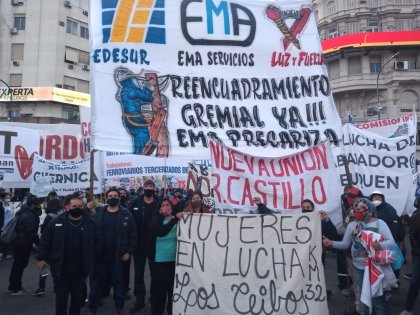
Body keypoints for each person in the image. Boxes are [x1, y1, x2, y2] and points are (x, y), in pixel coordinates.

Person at [323, 198, 396, 315]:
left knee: (378, 299)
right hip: (358, 267)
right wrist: (331, 243)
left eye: (359, 210)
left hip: (376, 267)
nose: (356, 212)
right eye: (355, 210)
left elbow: (391, 242)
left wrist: (380, 245)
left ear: (368, 210)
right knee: (364, 298)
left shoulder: (379, 223)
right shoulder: (352, 225)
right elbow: (345, 244)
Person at [36, 195, 95, 315]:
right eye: (74, 206)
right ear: (67, 207)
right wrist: (41, 258)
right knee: (61, 299)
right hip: (60, 268)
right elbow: (45, 241)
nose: (77, 208)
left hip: (80, 269)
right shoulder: (56, 222)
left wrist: (92, 260)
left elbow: (98, 242)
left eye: (80, 206)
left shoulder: (90, 223)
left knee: (77, 300)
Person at [89, 188, 137, 315]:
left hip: (119, 258)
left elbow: (133, 235)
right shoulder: (98, 213)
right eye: (110, 195)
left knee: (119, 285)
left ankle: (119, 309)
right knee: (96, 285)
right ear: (106, 198)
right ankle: (92, 309)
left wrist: (129, 252)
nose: (113, 197)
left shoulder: (127, 214)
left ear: (119, 198)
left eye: (115, 195)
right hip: (100, 257)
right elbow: (90, 230)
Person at [129, 180, 161, 313]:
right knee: (138, 274)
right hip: (140, 245)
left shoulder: (160, 202)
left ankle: (154, 297)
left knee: (156, 274)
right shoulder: (136, 202)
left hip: (155, 244)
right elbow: (130, 221)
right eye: (146, 186)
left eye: (151, 186)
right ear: (143, 188)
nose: (148, 188)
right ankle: (139, 299)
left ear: (154, 188)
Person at [150, 199, 183, 315]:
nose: (165, 207)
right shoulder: (156, 220)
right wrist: (174, 220)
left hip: (174, 262)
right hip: (159, 262)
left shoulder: (179, 220)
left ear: (172, 206)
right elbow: (161, 232)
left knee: (173, 292)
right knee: (159, 293)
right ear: (159, 209)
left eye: (167, 205)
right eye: (162, 205)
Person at [8, 195, 42, 295]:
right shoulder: (29, 215)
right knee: (20, 265)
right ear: (32, 205)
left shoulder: (23, 211)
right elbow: (31, 232)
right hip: (23, 243)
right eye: (37, 205)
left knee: (17, 265)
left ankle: (14, 286)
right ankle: (15, 287)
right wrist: (39, 244)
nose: (38, 207)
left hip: (18, 242)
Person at [33, 198, 64, 297]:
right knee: (57, 269)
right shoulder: (61, 216)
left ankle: (42, 287)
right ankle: (57, 287)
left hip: (48, 248)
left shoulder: (49, 217)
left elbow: (44, 233)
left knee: (44, 267)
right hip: (57, 247)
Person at [399, 197, 420, 315]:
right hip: (419, 255)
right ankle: (408, 309)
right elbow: (412, 236)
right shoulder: (416, 216)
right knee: (414, 283)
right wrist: (418, 251)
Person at [0, 191, 14, 259]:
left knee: (8, 239)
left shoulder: (11, 205)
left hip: (9, 226)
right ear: (2, 198)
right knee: (2, 240)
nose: (8, 199)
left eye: (9, 198)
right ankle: (2, 253)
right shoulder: (1, 206)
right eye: (7, 198)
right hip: (2, 226)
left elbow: (13, 216)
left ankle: (7, 253)